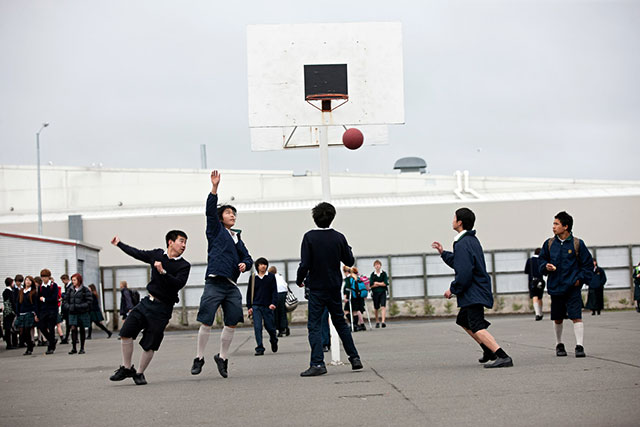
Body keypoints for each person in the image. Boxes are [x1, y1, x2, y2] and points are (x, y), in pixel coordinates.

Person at [432, 207, 513, 368]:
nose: (452, 220)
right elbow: (460, 262)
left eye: (454, 218)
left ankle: (502, 356)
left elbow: (464, 271)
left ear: (460, 222)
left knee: (476, 325)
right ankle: (487, 349)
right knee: (463, 320)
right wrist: (443, 253)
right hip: (475, 290)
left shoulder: (462, 243)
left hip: (473, 291)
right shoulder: (469, 240)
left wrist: (453, 289)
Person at [191, 170, 253, 379]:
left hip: (231, 285)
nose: (233, 216)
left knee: (233, 320)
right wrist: (215, 187)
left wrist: (245, 263)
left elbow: (248, 258)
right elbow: (210, 211)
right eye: (229, 213)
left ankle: (222, 357)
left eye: (234, 214)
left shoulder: (237, 237)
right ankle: (199, 357)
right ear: (221, 218)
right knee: (206, 320)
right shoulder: (215, 230)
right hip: (215, 281)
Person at [108, 230, 190, 385]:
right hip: (146, 303)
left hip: (163, 309)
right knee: (126, 333)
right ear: (170, 242)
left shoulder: (184, 265)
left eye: (185, 242)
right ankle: (126, 368)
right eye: (181, 241)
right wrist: (119, 244)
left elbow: (178, 284)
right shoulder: (157, 255)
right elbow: (137, 253)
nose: (184, 245)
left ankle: (139, 373)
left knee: (150, 343)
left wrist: (163, 272)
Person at [296, 202, 363, 377]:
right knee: (340, 322)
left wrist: (299, 279)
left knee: (315, 325)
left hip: (316, 287)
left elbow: (305, 264)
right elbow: (349, 261)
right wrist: (347, 249)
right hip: (334, 285)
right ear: (332, 217)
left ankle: (318, 363)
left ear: (315, 218)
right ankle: (354, 358)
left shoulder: (309, 237)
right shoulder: (339, 237)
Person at [538, 211, 593, 358]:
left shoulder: (577, 244)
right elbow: (541, 261)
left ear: (566, 226)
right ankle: (559, 344)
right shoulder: (549, 244)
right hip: (555, 287)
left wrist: (579, 280)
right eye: (553, 223)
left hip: (572, 288)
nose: (553, 227)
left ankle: (579, 346)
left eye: (556, 224)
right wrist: (545, 266)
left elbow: (587, 265)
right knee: (558, 318)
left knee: (576, 316)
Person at [246, 258, 278, 356]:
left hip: (268, 306)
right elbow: (249, 293)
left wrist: (273, 303)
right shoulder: (253, 277)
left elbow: (274, 291)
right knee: (257, 327)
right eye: (261, 264)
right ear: (257, 266)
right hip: (256, 306)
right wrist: (249, 307)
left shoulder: (271, 277)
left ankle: (274, 339)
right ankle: (259, 348)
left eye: (265, 264)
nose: (263, 266)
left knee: (270, 327)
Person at [63, 273, 92, 354]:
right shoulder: (70, 289)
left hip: (81, 312)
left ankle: (82, 348)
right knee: (73, 328)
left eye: (74, 280)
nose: (73, 282)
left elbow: (89, 301)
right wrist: (69, 307)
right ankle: (74, 348)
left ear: (79, 280)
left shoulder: (85, 290)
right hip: (72, 312)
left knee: (82, 329)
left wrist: (80, 306)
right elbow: (65, 300)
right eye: (72, 280)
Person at [37, 269, 60, 355]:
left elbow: (54, 298)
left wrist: (45, 299)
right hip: (43, 311)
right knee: (41, 327)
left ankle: (50, 347)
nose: (44, 279)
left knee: (51, 328)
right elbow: (38, 299)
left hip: (52, 310)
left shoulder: (53, 286)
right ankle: (52, 341)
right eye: (42, 277)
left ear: (49, 277)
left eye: (45, 277)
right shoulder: (40, 287)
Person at [15, 276, 38, 355]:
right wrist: (17, 313)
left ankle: (29, 348)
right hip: (21, 313)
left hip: (29, 313)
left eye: (29, 280)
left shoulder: (33, 292)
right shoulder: (21, 291)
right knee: (23, 332)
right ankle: (30, 345)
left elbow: (35, 304)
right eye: (26, 280)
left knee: (27, 330)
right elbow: (18, 302)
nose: (27, 282)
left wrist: (35, 314)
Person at [524, 248, 545, 321]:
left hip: (532, 281)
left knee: (534, 296)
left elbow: (526, 271)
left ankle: (537, 313)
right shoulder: (541, 261)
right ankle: (541, 312)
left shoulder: (530, 261)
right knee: (540, 297)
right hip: (540, 280)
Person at [269, 266, 290, 337]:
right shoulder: (280, 276)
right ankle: (285, 328)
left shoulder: (270, 277)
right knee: (283, 311)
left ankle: (280, 329)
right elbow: (285, 285)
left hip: (276, 294)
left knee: (276, 313)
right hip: (283, 293)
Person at [345, 267, 366, 331]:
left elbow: (347, 288)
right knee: (355, 311)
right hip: (358, 297)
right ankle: (356, 325)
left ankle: (353, 324)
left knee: (346, 311)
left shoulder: (349, 279)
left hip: (352, 297)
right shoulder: (358, 278)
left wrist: (346, 297)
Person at [370, 260, 389, 328]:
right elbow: (371, 285)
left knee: (383, 306)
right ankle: (377, 321)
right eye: (376, 265)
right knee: (376, 307)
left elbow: (385, 283)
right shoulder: (373, 274)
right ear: (374, 266)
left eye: (378, 264)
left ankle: (383, 321)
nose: (377, 266)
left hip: (383, 292)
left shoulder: (384, 274)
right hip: (375, 292)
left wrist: (377, 283)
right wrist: (380, 284)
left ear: (380, 266)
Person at [3, 277, 19, 349]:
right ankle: (10, 344)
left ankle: (11, 343)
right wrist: (16, 311)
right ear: (11, 283)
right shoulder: (9, 292)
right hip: (10, 312)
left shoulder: (5, 292)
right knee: (10, 328)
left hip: (7, 312)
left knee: (9, 328)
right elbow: (12, 302)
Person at [59, 274, 72, 344]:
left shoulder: (70, 286)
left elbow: (68, 295)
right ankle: (67, 338)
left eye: (63, 280)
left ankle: (67, 338)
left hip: (69, 307)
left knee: (69, 323)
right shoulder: (67, 286)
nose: (63, 282)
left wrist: (62, 295)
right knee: (68, 324)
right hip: (67, 308)